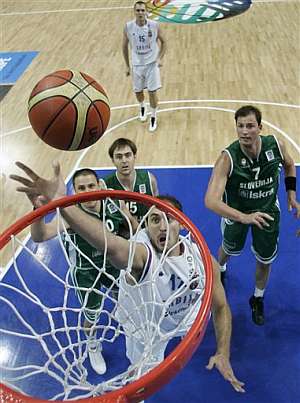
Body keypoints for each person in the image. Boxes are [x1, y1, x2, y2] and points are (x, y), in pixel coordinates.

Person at [11, 162, 245, 393]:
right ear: (148, 226)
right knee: (141, 372)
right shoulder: (142, 256)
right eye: (154, 219)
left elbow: (221, 306)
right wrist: (61, 204)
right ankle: (109, 358)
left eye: (168, 218)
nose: (162, 225)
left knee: (132, 300)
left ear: (182, 225)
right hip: (142, 324)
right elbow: (113, 247)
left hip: (176, 314)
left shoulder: (202, 258)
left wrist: (223, 351)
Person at [14, 166, 137, 375]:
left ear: (99, 185)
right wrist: (38, 211)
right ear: (74, 192)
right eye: (81, 188)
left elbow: (131, 229)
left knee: (123, 296)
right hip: (87, 273)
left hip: (113, 265)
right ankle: (92, 344)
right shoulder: (70, 215)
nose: (88, 191)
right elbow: (40, 236)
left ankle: (121, 311)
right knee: (92, 314)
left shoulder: (113, 204)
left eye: (91, 185)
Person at [205, 105, 300, 326]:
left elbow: (289, 165)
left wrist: (291, 195)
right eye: (240, 126)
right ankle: (220, 269)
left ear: (260, 127)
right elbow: (210, 200)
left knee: (264, 260)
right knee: (228, 249)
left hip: (267, 212)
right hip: (237, 213)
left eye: (250, 126)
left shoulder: (275, 145)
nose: (244, 131)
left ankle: (257, 298)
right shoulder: (227, 158)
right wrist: (243, 217)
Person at [122, 0, 166, 132]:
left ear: (146, 12)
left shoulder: (154, 25)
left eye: (142, 10)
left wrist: (159, 58)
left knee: (152, 92)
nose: (140, 13)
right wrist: (127, 65)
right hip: (137, 64)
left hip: (152, 63)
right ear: (134, 12)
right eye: (138, 10)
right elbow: (124, 46)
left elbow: (164, 42)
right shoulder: (128, 27)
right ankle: (142, 106)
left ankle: (153, 116)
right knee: (138, 91)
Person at [102, 138, 159, 226]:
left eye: (128, 155)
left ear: (134, 156)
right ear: (113, 160)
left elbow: (158, 210)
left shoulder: (149, 179)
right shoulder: (105, 186)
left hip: (146, 234)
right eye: (119, 157)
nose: (124, 160)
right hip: (119, 236)